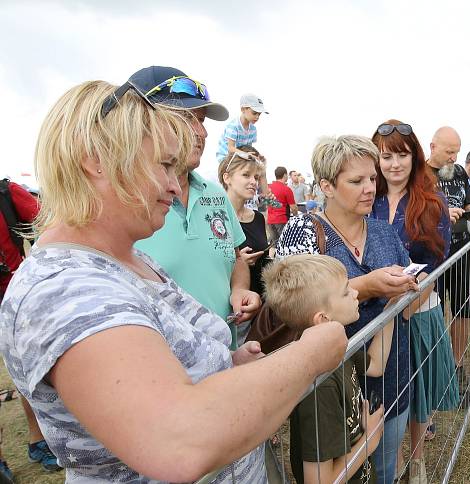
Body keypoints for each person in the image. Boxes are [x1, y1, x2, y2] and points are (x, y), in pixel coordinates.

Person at [0, 78, 348, 483]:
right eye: (163, 164)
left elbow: (164, 373)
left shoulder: (129, 258)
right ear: (96, 160)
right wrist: (309, 354)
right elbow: (178, 440)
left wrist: (227, 368)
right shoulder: (64, 290)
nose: (173, 183)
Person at [276, 134, 417, 484]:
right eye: (356, 181)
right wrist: (369, 286)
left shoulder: (385, 234)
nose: (370, 188)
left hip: (389, 373)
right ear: (326, 185)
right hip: (332, 385)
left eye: (372, 178)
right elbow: (291, 304)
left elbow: (407, 309)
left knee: (383, 468)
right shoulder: (303, 232)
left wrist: (410, 288)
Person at [133, 66, 260, 350]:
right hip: (164, 373)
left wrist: (239, 289)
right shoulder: (126, 205)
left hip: (223, 358)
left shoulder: (215, 194)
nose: (201, 132)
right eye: (187, 119)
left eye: (201, 120)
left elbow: (236, 257)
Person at [371, 120, 459, 484]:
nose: (394, 164)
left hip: (416, 310)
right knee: (384, 394)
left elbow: (436, 262)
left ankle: (417, 461)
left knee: (418, 392)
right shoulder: (367, 198)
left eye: (401, 155)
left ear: (415, 157)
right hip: (374, 316)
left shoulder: (431, 203)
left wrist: (406, 301)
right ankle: (386, 461)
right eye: (386, 155)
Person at [263, 254, 390, 484]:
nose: (356, 294)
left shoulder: (335, 349)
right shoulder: (319, 387)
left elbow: (376, 366)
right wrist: (368, 441)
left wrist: (391, 308)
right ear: (323, 318)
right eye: (345, 291)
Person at [0, 180, 62, 479]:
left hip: (15, 300)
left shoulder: (7, 193)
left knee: (27, 372)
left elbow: (51, 222)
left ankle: (38, 440)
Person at [426, 126, 470, 382]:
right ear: (433, 147)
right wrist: (440, 215)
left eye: (457, 152)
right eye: (449, 151)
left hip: (461, 248)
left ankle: (456, 365)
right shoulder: (419, 175)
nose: (453, 157)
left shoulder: (459, 172)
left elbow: (467, 200)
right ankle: (435, 365)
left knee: (464, 308)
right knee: (433, 311)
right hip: (433, 253)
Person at [218, 146, 270, 347]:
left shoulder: (257, 218)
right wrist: (238, 263)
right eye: (246, 175)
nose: (253, 182)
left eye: (256, 177)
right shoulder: (215, 217)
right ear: (227, 178)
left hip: (257, 306)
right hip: (230, 309)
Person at [215, 93, 268, 162]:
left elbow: (248, 148)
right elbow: (230, 148)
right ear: (243, 109)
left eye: (259, 114)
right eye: (254, 113)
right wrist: (246, 154)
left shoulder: (253, 129)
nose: (257, 117)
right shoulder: (233, 126)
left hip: (240, 157)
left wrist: (257, 155)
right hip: (225, 158)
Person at [267, 166, 298, 243]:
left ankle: (271, 255)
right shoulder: (286, 189)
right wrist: (296, 217)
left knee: (274, 244)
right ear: (284, 175)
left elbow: (267, 203)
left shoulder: (268, 188)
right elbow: (293, 208)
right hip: (281, 220)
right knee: (285, 243)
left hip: (270, 220)